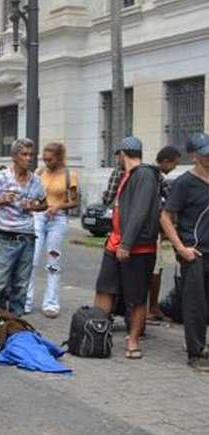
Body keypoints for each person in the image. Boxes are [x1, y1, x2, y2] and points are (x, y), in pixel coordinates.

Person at [93, 136, 161, 360]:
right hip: (116, 243)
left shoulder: (144, 175)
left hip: (136, 248)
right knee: (104, 287)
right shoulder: (128, 175)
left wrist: (127, 243)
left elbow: (140, 211)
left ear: (122, 154)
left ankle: (133, 340)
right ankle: (96, 332)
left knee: (137, 297)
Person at [0, 138, 47, 320]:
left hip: (27, 237)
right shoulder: (1, 177)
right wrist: (2, 200)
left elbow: (44, 205)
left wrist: (32, 206)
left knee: (21, 285)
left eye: (31, 155)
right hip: (4, 236)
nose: (29, 158)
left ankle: (15, 324)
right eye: (24, 154)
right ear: (14, 157)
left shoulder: (36, 181)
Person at [160, 134, 209, 370]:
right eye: (204, 152)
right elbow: (166, 217)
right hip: (195, 252)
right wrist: (181, 248)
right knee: (196, 304)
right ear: (193, 155)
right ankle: (196, 353)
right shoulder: (184, 183)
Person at [25, 143, 80, 318]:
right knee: (31, 259)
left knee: (53, 262)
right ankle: (26, 301)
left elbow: (75, 202)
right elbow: (32, 194)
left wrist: (58, 206)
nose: (47, 162)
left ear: (59, 157)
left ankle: (51, 302)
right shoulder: (39, 173)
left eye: (50, 159)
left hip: (57, 220)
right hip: (39, 218)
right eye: (45, 159)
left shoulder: (69, 175)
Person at [147, 146, 181, 321]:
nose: (175, 167)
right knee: (154, 272)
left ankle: (150, 308)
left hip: (153, 233)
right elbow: (163, 207)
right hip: (153, 234)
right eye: (174, 163)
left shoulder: (154, 176)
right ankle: (150, 309)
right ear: (166, 161)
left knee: (156, 270)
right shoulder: (154, 177)